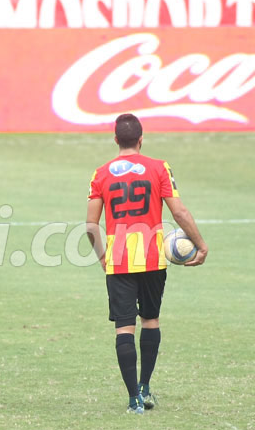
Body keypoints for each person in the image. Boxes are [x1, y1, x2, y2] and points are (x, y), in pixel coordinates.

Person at [86, 113, 208, 414]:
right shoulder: (159, 168)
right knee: (150, 320)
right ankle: (145, 386)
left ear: (115, 140)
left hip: (119, 262)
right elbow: (178, 212)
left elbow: (91, 225)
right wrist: (201, 245)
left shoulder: (100, 174)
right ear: (141, 139)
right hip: (154, 259)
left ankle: (133, 400)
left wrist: (103, 256)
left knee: (123, 328)